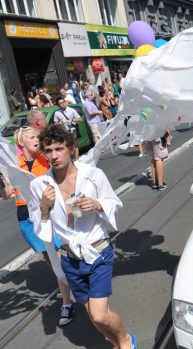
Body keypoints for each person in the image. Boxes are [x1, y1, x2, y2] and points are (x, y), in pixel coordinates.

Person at [30, 125, 136, 349]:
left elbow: (114, 203)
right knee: (92, 315)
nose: (54, 155)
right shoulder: (39, 186)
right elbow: (41, 231)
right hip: (69, 258)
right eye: (48, 150)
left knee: (99, 315)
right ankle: (117, 344)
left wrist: (98, 205)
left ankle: (126, 341)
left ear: (71, 149)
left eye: (59, 149)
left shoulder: (93, 175)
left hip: (97, 251)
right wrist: (43, 207)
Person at [0, 126, 74, 327]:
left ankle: (67, 301)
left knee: (57, 254)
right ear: (21, 142)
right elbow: (6, 195)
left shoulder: (46, 157)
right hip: (25, 216)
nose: (37, 139)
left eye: (37, 136)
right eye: (32, 137)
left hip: (47, 211)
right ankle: (66, 281)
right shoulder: (14, 164)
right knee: (46, 256)